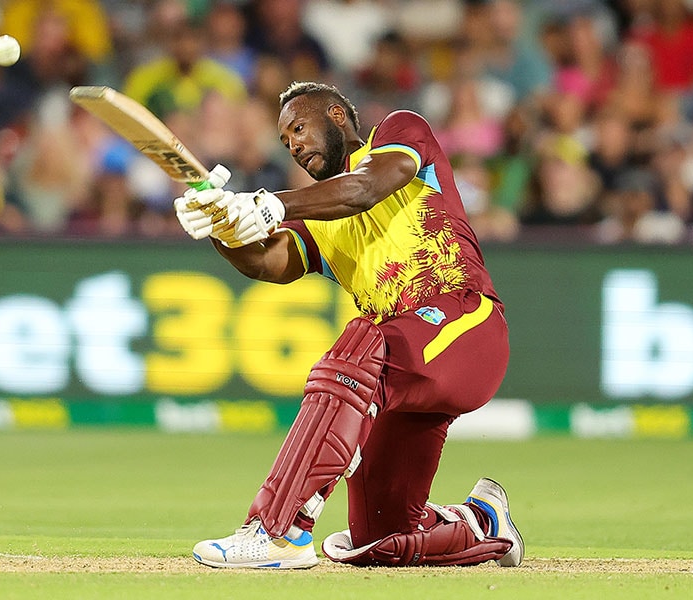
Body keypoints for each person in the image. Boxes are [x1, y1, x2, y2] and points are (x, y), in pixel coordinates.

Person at [173, 81, 524, 569]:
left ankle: (277, 531)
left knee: (359, 342)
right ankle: (483, 521)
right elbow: (267, 263)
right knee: (379, 536)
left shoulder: (400, 132)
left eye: (298, 127)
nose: (293, 144)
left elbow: (362, 189)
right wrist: (220, 225)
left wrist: (271, 203)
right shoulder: (321, 217)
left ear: (337, 115)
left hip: (467, 326)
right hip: (405, 367)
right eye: (285, 142)